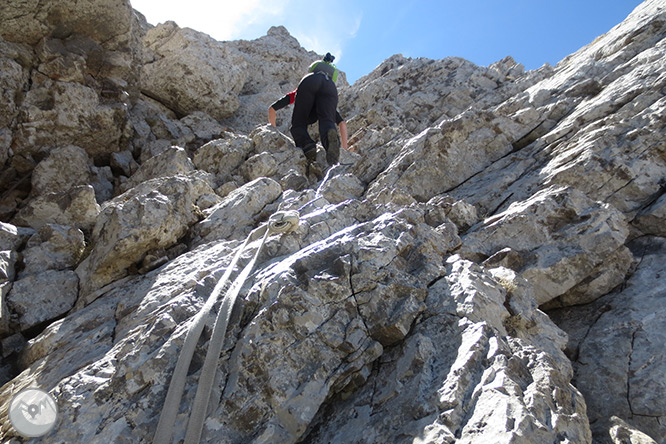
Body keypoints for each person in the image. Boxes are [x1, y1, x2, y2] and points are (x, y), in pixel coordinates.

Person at [269, 53, 347, 167]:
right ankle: (331, 145)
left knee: (298, 125)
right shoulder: (327, 93)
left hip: (309, 82)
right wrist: (345, 150)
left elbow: (272, 109)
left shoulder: (301, 89)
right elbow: (342, 123)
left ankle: (308, 146)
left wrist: (273, 132)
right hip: (331, 88)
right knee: (327, 122)